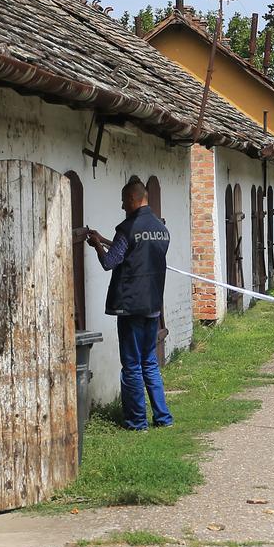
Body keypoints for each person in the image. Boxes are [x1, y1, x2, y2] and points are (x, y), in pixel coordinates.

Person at [86, 178, 174, 431]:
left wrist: (96, 246)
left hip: (130, 305)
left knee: (132, 366)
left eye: (125, 201)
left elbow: (110, 263)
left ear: (134, 199)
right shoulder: (160, 227)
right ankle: (163, 418)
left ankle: (137, 423)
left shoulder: (127, 228)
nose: (123, 206)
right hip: (153, 304)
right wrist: (104, 238)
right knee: (150, 363)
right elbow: (137, 252)